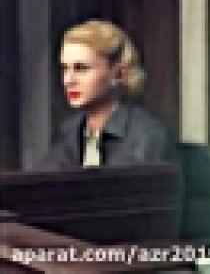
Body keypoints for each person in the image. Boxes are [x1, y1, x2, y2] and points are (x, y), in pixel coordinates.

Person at [31, 19, 174, 170]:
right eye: (65, 68)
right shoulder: (70, 131)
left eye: (81, 68)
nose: (68, 80)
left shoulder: (147, 136)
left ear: (118, 73)